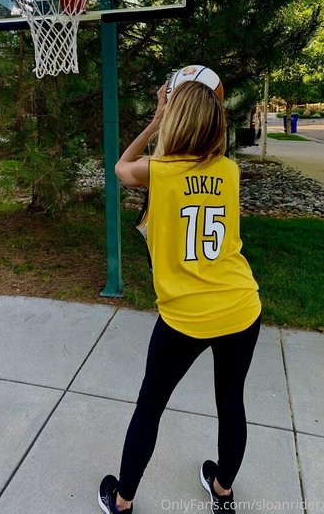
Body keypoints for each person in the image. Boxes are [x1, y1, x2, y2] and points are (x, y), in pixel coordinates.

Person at [98, 67, 262, 514]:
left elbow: (120, 167)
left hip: (184, 316)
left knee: (150, 405)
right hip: (240, 306)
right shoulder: (230, 171)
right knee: (231, 402)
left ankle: (123, 502)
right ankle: (222, 492)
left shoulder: (157, 172)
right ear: (216, 123)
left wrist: (155, 121)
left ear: (174, 118)